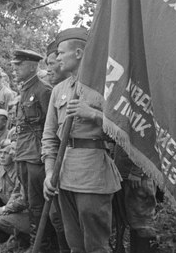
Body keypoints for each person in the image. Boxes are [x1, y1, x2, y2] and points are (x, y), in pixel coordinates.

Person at [42, 27, 122, 253]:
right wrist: (49, 173)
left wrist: (94, 115)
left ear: (78, 53)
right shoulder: (58, 90)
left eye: (60, 53)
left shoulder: (106, 88)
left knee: (96, 246)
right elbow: (49, 137)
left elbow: (124, 135)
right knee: (74, 244)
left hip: (93, 173)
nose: (56, 58)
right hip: (63, 172)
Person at [10, 48, 62, 251]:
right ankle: (35, 242)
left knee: (38, 203)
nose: (14, 69)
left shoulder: (43, 90)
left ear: (32, 66)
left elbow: (52, 126)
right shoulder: (24, 89)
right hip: (23, 151)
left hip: (36, 155)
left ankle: (41, 245)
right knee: (29, 201)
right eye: (14, 65)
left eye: (19, 65)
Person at [0, 141, 30, 249]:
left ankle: (20, 239)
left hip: (26, 213)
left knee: (0, 222)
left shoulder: (21, 171)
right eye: (0, 152)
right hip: (12, 209)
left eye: (6, 153)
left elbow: (23, 201)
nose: (2, 156)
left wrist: (2, 211)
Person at [112, 146, 158, 252]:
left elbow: (148, 139)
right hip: (125, 174)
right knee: (134, 224)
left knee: (143, 224)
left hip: (138, 178)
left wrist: (138, 169)